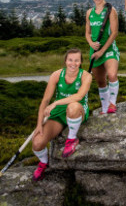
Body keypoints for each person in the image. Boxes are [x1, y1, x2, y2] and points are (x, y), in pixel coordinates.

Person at [31, 48, 91, 181]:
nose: (73, 63)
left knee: (73, 107)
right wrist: (39, 124)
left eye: (77, 60)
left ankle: (71, 139)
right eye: (70, 60)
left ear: (81, 62)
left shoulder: (86, 76)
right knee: (37, 143)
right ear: (65, 61)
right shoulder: (56, 75)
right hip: (59, 113)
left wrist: (55, 103)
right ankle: (43, 162)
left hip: (78, 109)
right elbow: (45, 101)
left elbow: (79, 96)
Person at [85, 0, 120, 114]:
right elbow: (87, 33)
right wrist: (91, 43)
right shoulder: (89, 13)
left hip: (108, 48)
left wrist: (102, 50)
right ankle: (105, 108)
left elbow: (114, 32)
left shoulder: (111, 10)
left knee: (112, 74)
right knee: (100, 81)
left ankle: (112, 103)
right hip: (94, 50)